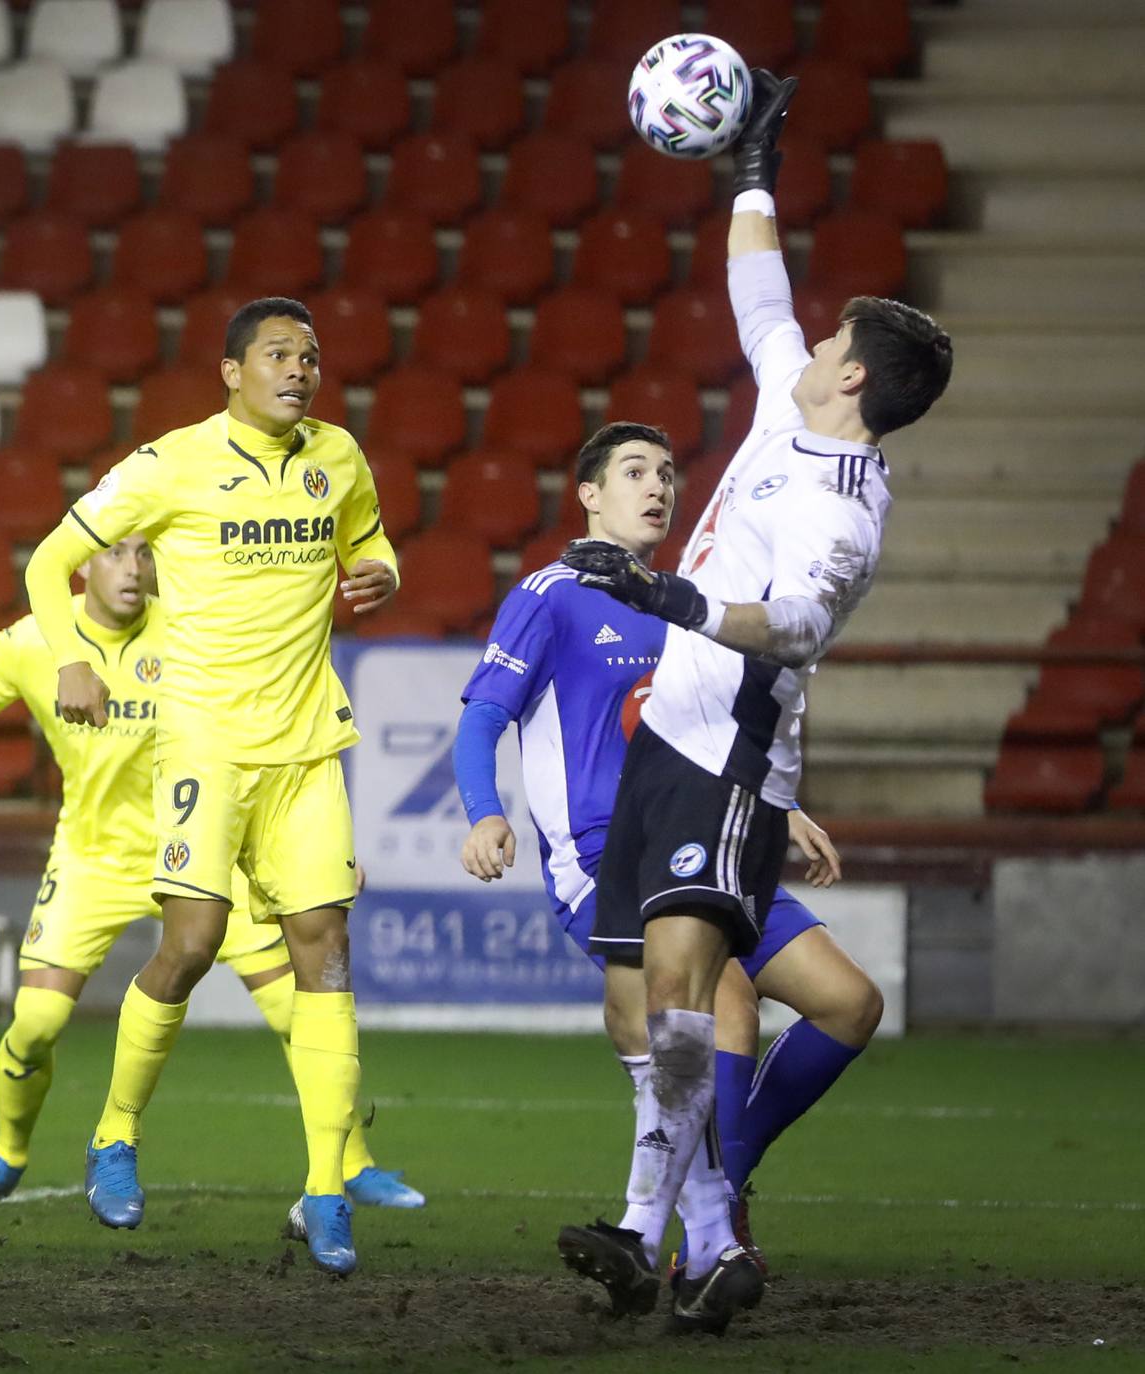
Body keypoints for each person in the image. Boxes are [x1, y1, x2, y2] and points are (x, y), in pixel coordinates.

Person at [547, 72, 953, 1333]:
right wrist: (747, 176)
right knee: (660, 1003)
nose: (813, 339)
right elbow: (759, 298)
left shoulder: (842, 511)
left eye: (836, 341)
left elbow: (793, 628)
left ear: (853, 385)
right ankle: (684, 1233)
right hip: (672, 735)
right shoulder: (796, 405)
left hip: (727, 760)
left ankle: (658, 1226)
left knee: (684, 989)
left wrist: (670, 601)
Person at [0, 536, 423, 1216]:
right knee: (36, 1020)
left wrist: (314, 843)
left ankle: (351, 1163)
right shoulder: (32, 643)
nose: (133, 568)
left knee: (298, 1010)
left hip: (205, 851)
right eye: (115, 554)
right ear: (80, 566)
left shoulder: (190, 630)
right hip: (94, 861)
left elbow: (270, 724)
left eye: (144, 554)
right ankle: (7, 1152)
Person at [453, 423, 886, 1321]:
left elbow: (713, 723)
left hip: (708, 829)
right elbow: (480, 719)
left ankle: (715, 1179)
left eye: (666, 473)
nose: (657, 487)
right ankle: (703, 1241)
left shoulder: (686, 599)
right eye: (633, 472)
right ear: (588, 494)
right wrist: (484, 812)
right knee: (721, 1000)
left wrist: (779, 806)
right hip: (605, 854)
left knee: (848, 1003)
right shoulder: (553, 593)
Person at [22, 297, 401, 1274]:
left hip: (308, 747)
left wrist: (379, 572)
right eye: (277, 353)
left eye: (310, 355)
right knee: (188, 946)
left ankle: (324, 1191)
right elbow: (47, 561)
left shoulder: (339, 457)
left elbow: (366, 541)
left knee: (325, 953)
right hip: (205, 751)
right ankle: (113, 1134)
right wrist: (69, 656)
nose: (298, 368)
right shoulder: (167, 463)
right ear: (230, 371)